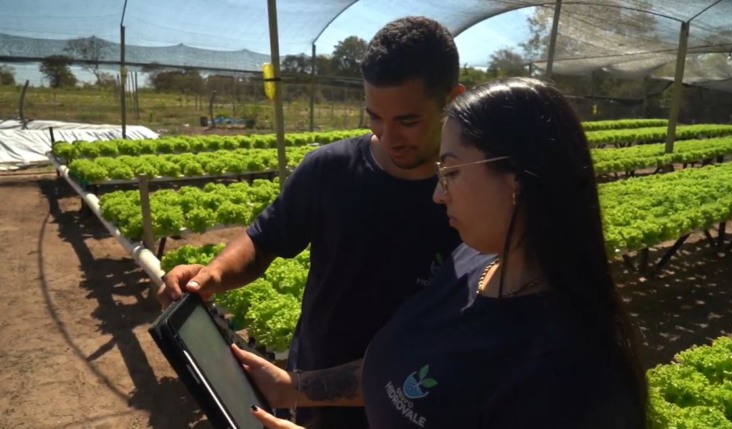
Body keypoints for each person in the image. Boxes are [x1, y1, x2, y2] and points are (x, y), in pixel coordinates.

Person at [232, 77, 649, 428]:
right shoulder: (473, 263)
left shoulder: (570, 370)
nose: (437, 194)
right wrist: (291, 388)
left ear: (516, 180)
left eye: (450, 172)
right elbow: (405, 376)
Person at [159, 16, 464, 429]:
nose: (388, 136)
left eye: (408, 121)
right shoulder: (330, 170)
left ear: (453, 99)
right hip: (309, 389)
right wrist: (212, 275)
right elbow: (263, 240)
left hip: (411, 407)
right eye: (375, 116)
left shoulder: (472, 198)